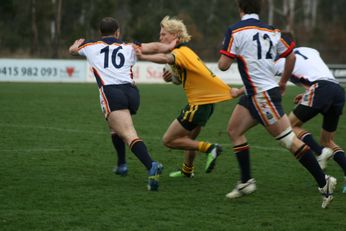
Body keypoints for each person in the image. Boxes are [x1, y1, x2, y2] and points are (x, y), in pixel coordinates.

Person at [218, 0, 336, 208]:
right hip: (256, 94)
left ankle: (324, 182)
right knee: (234, 130)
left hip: (262, 96)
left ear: (241, 9)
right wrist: (282, 82)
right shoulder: (272, 30)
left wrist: (231, 52)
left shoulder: (234, 30)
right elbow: (290, 55)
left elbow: (223, 65)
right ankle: (246, 182)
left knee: (289, 140)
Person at [68, 17, 172, 191]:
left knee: (129, 133)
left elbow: (72, 50)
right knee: (115, 128)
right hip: (131, 93)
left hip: (112, 93)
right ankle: (122, 164)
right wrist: (171, 45)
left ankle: (151, 165)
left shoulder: (90, 46)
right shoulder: (129, 46)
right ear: (117, 32)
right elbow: (154, 46)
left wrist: (75, 44)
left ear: (100, 33)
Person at [134, 16, 236, 177]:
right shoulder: (186, 51)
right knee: (188, 139)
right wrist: (173, 78)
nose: (160, 38)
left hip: (198, 104)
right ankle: (187, 170)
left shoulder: (179, 52)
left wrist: (142, 57)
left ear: (175, 35)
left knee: (169, 140)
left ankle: (211, 148)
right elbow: (183, 77)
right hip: (207, 103)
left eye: (164, 34)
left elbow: (164, 58)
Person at [274, 35, 346, 193]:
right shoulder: (310, 50)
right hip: (337, 90)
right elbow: (314, 71)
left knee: (289, 126)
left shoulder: (279, 62)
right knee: (327, 141)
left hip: (320, 89)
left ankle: (319, 153)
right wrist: (308, 93)